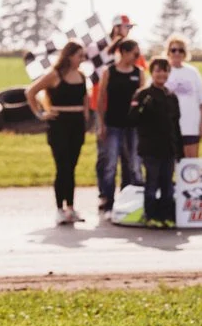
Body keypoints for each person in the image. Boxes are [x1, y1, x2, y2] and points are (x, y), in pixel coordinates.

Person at [25, 41, 89, 225]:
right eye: (79, 55)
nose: (81, 59)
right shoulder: (55, 75)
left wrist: (85, 116)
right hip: (59, 124)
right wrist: (40, 113)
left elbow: (85, 98)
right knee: (62, 167)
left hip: (77, 125)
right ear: (69, 56)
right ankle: (59, 209)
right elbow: (31, 92)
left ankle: (71, 207)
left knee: (72, 167)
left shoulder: (82, 76)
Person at [92, 14, 145, 213]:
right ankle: (107, 199)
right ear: (123, 52)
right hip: (112, 123)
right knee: (110, 162)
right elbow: (101, 98)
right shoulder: (109, 71)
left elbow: (142, 99)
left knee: (132, 163)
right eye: (134, 53)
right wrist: (101, 123)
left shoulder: (138, 72)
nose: (137, 56)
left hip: (132, 125)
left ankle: (129, 199)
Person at [129, 57, 181, 229]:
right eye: (158, 70)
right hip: (150, 148)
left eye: (165, 70)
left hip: (168, 148)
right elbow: (132, 119)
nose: (162, 74)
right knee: (152, 182)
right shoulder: (143, 94)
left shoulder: (171, 96)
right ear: (152, 73)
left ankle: (167, 216)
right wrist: (142, 106)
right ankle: (151, 215)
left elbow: (176, 125)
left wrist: (178, 149)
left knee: (167, 184)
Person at [164, 34, 202, 158]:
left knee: (191, 164)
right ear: (168, 52)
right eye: (173, 50)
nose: (177, 53)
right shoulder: (162, 71)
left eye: (180, 50)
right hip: (168, 128)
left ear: (185, 53)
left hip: (190, 126)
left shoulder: (192, 72)